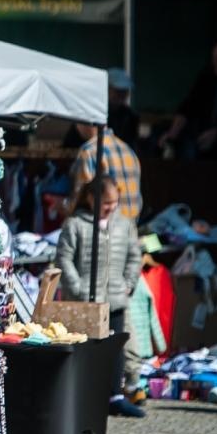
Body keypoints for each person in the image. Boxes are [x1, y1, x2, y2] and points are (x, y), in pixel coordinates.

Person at [53, 176, 145, 418]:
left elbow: (135, 256)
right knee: (86, 350)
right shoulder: (75, 224)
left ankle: (115, 396)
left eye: (115, 203)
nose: (111, 208)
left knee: (116, 349)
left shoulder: (124, 225)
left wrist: (128, 284)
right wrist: (78, 287)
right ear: (91, 199)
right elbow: (63, 258)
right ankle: (85, 397)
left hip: (114, 299)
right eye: (106, 203)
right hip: (85, 301)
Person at [69, 122, 141, 221]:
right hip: (130, 228)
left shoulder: (89, 151)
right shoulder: (128, 150)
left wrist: (62, 205)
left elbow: (78, 200)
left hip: (104, 230)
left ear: (84, 122)